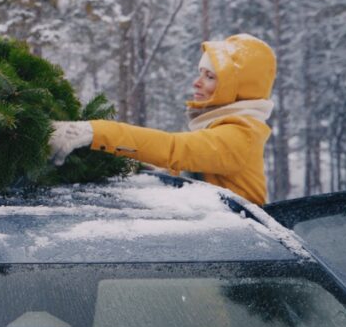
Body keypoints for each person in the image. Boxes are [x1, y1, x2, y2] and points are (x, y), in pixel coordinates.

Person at [49, 33, 276, 205]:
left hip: (242, 245)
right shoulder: (222, 127)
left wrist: (94, 132)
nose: (196, 83)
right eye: (200, 73)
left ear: (236, 87)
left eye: (210, 77)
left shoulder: (241, 135)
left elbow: (175, 150)